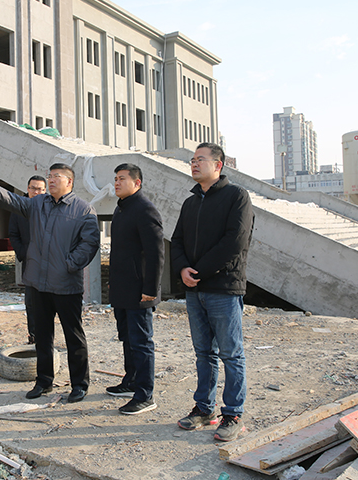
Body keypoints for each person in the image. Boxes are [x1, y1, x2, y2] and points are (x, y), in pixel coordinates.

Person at [0, 165, 99, 403]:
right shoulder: (38, 203)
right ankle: (43, 381)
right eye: (49, 176)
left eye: (56, 177)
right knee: (42, 336)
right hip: (38, 283)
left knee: (74, 337)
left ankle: (79, 385)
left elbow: (89, 243)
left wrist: (69, 265)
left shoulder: (83, 209)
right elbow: (14, 201)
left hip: (66, 284)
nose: (51, 180)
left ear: (69, 182)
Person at [170, 142, 254, 442]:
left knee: (231, 354)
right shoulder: (190, 202)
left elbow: (235, 242)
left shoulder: (236, 196)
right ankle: (204, 409)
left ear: (218, 165)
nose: (194, 164)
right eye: (192, 160)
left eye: (200, 159)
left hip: (224, 288)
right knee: (203, 353)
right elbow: (177, 240)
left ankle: (233, 414)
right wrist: (183, 269)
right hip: (195, 290)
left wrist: (199, 272)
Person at [107, 163, 164, 415]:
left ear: (137, 183)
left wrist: (151, 289)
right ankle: (130, 381)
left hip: (140, 290)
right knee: (127, 338)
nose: (117, 183)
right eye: (115, 179)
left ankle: (145, 395)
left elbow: (155, 253)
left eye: (122, 179)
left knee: (141, 342)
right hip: (122, 288)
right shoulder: (121, 209)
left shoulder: (144, 209)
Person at [8, 175, 47, 344]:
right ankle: (34, 336)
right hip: (30, 263)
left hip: (50, 263)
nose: (36, 192)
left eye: (40, 189)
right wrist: (23, 253)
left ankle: (47, 337)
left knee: (50, 302)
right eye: (33, 188)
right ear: (27, 189)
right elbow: (13, 234)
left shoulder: (52, 207)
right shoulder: (19, 209)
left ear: (45, 191)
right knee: (31, 302)